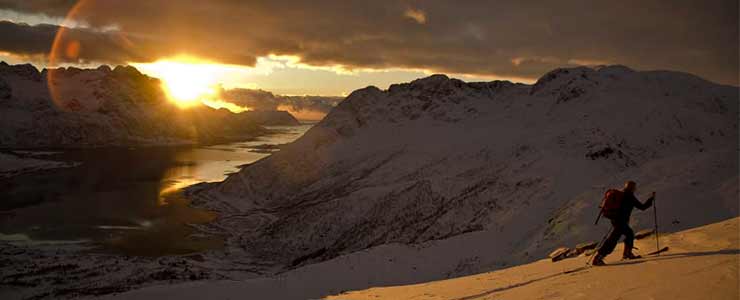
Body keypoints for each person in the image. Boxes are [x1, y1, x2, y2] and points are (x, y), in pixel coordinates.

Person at [592, 180, 654, 266]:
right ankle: (598, 258)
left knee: (629, 234)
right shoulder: (630, 196)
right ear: (632, 188)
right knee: (613, 239)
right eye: (634, 188)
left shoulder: (621, 194)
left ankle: (627, 253)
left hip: (616, 220)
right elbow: (642, 207)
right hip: (621, 221)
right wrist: (651, 199)